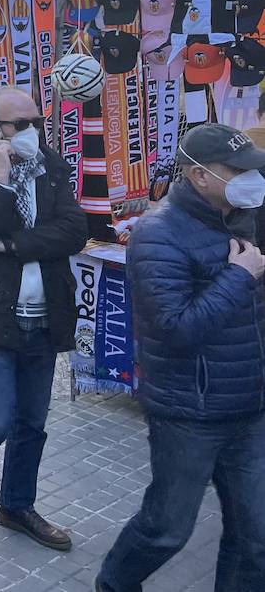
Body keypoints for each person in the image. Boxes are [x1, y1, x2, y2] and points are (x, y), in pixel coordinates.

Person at [96, 124, 265, 592]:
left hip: (249, 407)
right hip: (189, 412)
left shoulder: (243, 216)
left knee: (257, 537)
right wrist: (239, 277)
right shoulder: (158, 234)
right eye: (239, 169)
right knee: (167, 529)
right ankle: (114, 583)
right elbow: (175, 330)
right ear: (198, 175)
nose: (253, 177)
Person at [0, 86, 86, 550]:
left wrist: (11, 246)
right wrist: (1, 177)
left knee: (32, 421)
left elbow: (73, 231)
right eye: (19, 124)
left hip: (45, 312)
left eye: (36, 122)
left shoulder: (52, 166)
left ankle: (17, 504)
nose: (32, 132)